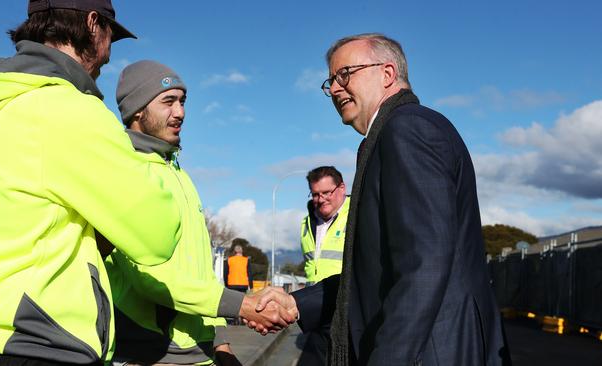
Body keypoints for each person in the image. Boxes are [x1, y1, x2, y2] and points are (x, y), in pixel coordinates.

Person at [252, 33, 510, 366]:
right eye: (330, 81)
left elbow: (424, 267)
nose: (334, 89)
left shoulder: (407, 130)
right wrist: (298, 303)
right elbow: (376, 272)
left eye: (345, 74)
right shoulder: (390, 134)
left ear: (387, 73)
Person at [0, 1, 186, 365]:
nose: (108, 53)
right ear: (93, 25)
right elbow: (158, 235)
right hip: (38, 341)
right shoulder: (72, 110)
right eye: (111, 35)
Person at [105, 60, 294, 365]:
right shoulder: (123, 170)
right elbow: (148, 277)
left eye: (182, 101)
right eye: (168, 101)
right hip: (150, 354)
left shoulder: (180, 175)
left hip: (200, 353)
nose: (180, 112)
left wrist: (220, 341)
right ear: (137, 111)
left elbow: (201, 269)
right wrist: (241, 305)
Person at [298, 166, 349, 365]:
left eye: (326, 192)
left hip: (345, 302)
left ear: (342, 188)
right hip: (316, 305)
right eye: (316, 194)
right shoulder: (306, 223)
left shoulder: (358, 213)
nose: (321, 199)